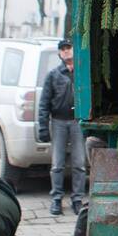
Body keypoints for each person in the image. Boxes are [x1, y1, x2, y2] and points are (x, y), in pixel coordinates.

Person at [38, 38, 85, 216]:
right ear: (59, 53)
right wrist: (43, 127)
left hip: (77, 122)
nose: (65, 51)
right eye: (62, 49)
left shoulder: (81, 73)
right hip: (57, 121)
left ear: (75, 50)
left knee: (79, 164)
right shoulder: (54, 75)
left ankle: (77, 199)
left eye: (68, 48)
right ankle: (56, 198)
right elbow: (44, 103)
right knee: (57, 164)